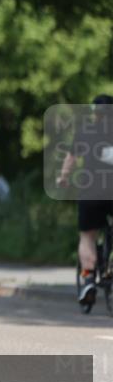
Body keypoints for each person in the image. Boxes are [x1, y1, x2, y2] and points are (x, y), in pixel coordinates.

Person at [57, 94, 113, 307]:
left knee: (88, 236)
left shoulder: (86, 132)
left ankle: (88, 277)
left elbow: (70, 159)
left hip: (92, 191)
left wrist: (63, 178)